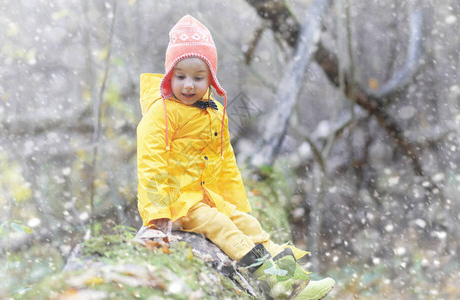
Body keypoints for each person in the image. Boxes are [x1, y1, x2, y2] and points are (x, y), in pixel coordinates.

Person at [136, 14, 334, 299]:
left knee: (249, 225)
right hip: (178, 202)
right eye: (180, 76)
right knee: (224, 228)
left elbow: (225, 161)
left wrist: (234, 204)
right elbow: (150, 164)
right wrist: (157, 215)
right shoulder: (162, 113)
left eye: (198, 77)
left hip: (204, 197)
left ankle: (295, 282)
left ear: (211, 78)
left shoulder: (214, 111)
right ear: (169, 76)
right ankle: (274, 283)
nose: (189, 85)